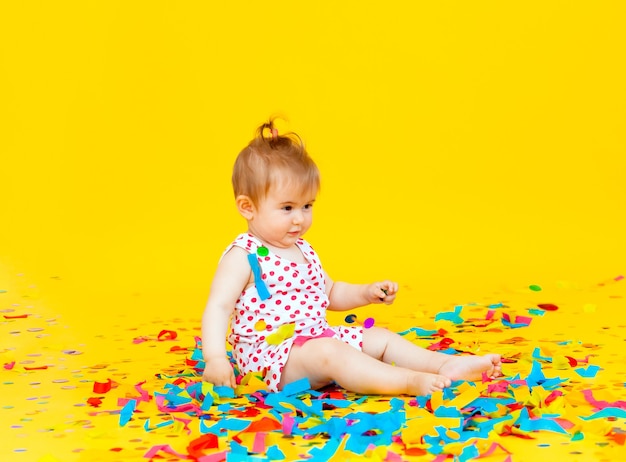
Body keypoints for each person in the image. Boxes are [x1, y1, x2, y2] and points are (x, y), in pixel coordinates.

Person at [201, 119, 502, 396]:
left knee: (380, 338)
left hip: (317, 337)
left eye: (307, 206)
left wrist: (365, 293)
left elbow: (329, 292)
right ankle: (409, 382)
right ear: (247, 207)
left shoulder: (303, 248)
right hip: (271, 356)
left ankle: (442, 366)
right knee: (330, 352)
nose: (299, 219)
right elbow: (219, 306)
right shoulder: (244, 255)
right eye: (287, 208)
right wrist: (215, 358)